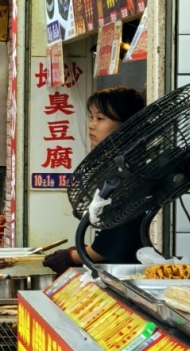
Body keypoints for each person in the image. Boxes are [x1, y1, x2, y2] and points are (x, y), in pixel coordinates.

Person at [44, 86, 147, 273]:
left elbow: (117, 242)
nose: (91, 125)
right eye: (91, 118)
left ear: (127, 123)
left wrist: (72, 257)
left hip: (127, 273)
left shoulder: (131, 173)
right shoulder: (116, 167)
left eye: (100, 119)